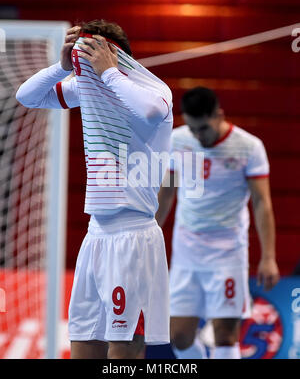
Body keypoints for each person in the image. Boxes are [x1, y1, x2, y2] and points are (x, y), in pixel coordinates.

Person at [16, 20, 173, 359]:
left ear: (112, 53)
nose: (83, 62)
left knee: (123, 355)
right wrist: (60, 67)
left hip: (134, 239)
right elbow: (26, 96)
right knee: (84, 348)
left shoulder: (153, 89)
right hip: (95, 237)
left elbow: (149, 113)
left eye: (89, 51)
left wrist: (109, 72)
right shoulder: (87, 85)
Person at [156, 86, 280, 359]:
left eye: (203, 129)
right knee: (178, 337)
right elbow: (167, 192)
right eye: (192, 129)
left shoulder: (249, 147)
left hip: (227, 252)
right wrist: (148, 237)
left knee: (225, 335)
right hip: (186, 252)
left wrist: (268, 256)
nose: (198, 136)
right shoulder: (178, 140)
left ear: (218, 114)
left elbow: (262, 203)